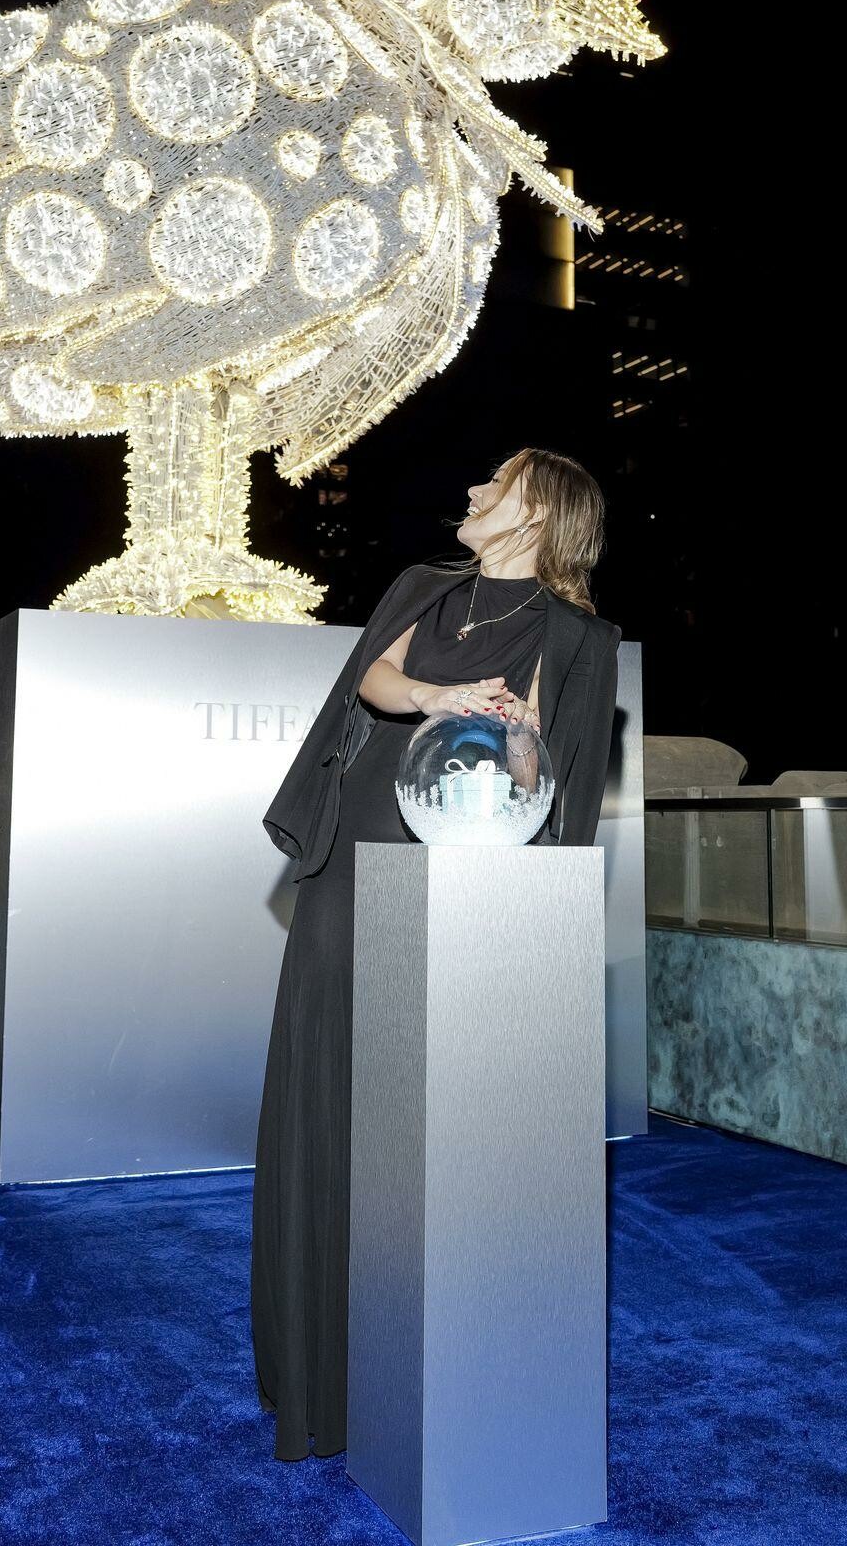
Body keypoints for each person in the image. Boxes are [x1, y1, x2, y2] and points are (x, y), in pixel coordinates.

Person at [251, 446, 622, 1461]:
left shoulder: (579, 637)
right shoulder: (426, 586)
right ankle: (321, 1375)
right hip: (352, 861)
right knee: (331, 1090)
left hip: (462, 882)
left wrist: (518, 733)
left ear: (537, 514)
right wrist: (432, 696)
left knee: (436, 1117)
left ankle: (437, 1365)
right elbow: (370, 679)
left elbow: (556, 789)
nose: (470, 490)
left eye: (495, 485)